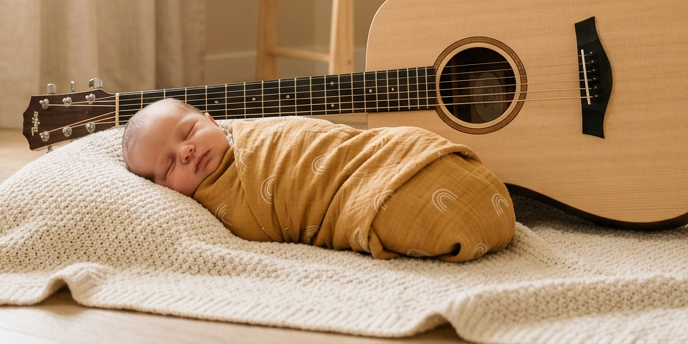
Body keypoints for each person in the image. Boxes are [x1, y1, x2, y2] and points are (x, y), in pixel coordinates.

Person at [121, 98, 515, 262]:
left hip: (374, 155)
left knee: (395, 142)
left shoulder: (249, 134)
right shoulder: (211, 203)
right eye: (170, 165)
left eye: (188, 132)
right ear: (160, 190)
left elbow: (324, 142)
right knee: (402, 207)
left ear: (212, 120)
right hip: (355, 197)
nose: (186, 151)